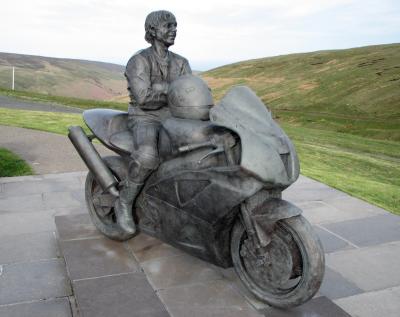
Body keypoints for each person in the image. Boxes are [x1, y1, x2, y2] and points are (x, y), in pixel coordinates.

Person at [114, 10, 192, 234]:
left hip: (177, 117)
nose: (174, 30)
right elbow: (144, 98)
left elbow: (190, 91)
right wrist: (171, 91)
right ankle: (124, 201)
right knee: (148, 156)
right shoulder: (139, 60)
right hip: (146, 117)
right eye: (168, 26)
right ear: (152, 31)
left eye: (175, 25)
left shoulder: (181, 62)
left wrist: (165, 90)